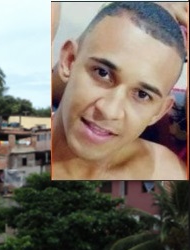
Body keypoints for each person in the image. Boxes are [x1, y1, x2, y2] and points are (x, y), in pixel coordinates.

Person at [51, 2, 188, 180]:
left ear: (159, 111)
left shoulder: (168, 176)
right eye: (102, 73)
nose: (110, 111)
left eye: (142, 94)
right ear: (69, 61)